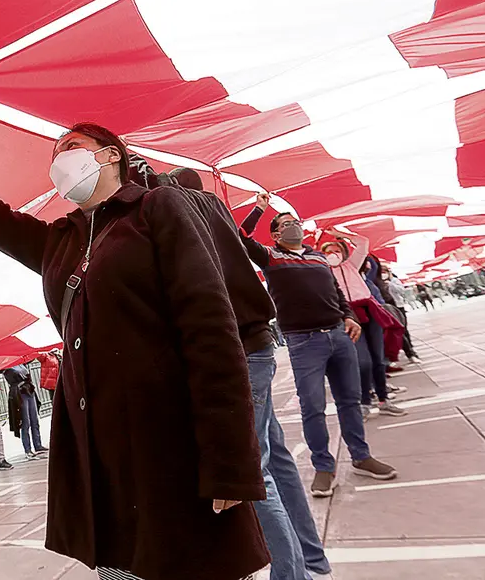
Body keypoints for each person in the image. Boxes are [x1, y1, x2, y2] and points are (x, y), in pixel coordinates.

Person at [0, 84, 267, 580]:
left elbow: (210, 331)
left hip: (169, 441)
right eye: (55, 153)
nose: (58, 159)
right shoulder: (59, 242)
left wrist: (230, 461)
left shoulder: (158, 210)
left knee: (191, 561)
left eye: (70, 147)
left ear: (111, 156)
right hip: (100, 448)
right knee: (121, 563)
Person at [170, 169, 332, 580]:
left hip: (241, 350)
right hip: (258, 345)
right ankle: (310, 561)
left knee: (253, 470)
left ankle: (293, 574)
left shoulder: (186, 228)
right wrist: (257, 210)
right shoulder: (219, 220)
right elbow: (242, 238)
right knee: (275, 460)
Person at [240, 193, 397, 498]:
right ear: (275, 235)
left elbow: (337, 293)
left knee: (349, 401)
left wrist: (348, 316)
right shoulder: (271, 257)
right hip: (304, 342)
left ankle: (361, 456)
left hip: (339, 336)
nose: (293, 227)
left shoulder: (319, 257)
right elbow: (239, 236)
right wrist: (259, 208)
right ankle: (324, 467)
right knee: (312, 407)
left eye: (295, 222)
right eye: (286, 224)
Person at [320, 235, 406, 419]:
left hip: (370, 312)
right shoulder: (323, 271)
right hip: (349, 317)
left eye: (336, 251)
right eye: (328, 252)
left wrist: (341, 234)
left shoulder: (352, 264)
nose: (333, 254)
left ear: (343, 253)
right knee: (362, 362)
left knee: (378, 360)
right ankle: (365, 402)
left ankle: (384, 400)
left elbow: (363, 243)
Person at [3, 365, 46, 459]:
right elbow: (11, 379)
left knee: (35, 420)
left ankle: (38, 445)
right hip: (20, 394)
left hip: (29, 391)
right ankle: (28, 450)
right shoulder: (7, 367)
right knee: (26, 422)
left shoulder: (21, 362)